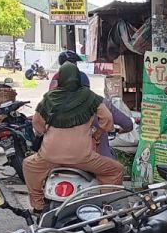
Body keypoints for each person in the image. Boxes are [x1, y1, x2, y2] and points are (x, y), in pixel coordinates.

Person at [22, 62, 125, 212]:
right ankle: (106, 208)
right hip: (82, 158)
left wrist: (44, 131)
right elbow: (107, 119)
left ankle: (38, 206)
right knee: (115, 170)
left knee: (28, 165)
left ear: (61, 79)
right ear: (77, 78)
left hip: (49, 157)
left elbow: (37, 123)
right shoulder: (90, 96)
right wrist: (98, 134)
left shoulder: (49, 98)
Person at [48, 51, 134, 160]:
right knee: (115, 171)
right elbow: (125, 123)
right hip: (90, 160)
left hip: (56, 159)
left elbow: (38, 127)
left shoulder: (51, 106)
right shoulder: (97, 102)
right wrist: (120, 129)